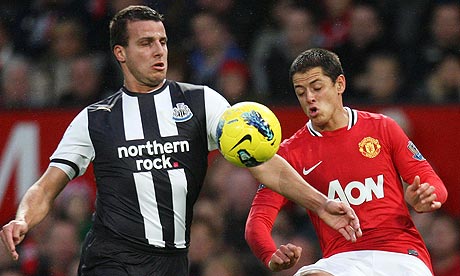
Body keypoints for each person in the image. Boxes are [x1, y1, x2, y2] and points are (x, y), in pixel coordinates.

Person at [0, 7, 361, 276]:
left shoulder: (202, 102)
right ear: (120, 53)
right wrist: (22, 219)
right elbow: (47, 187)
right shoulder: (95, 119)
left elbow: (265, 163)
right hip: (112, 258)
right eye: (146, 43)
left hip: (173, 260)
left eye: (162, 42)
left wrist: (319, 203)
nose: (159, 51)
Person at [245, 48, 448, 276]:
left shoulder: (383, 127)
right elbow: (257, 221)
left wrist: (428, 197)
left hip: (401, 254)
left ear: (339, 84)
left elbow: (434, 183)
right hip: (343, 260)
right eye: (300, 92)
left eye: (317, 88)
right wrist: (269, 253)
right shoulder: (289, 154)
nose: (309, 97)